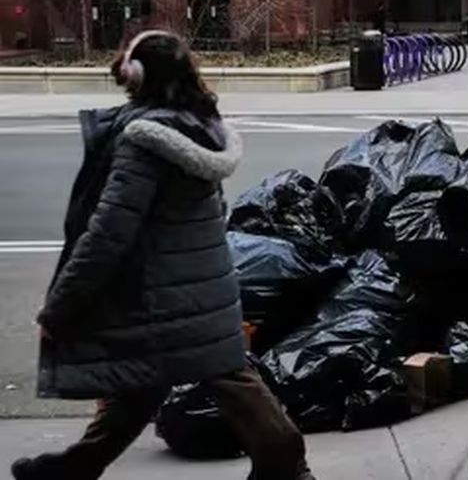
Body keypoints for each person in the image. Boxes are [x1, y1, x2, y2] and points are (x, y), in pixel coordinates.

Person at [13, 30, 313, 480]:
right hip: (203, 284)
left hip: (158, 292)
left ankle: (287, 467)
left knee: (212, 378)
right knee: (152, 383)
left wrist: (61, 308)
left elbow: (108, 233)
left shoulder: (144, 141)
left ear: (134, 75)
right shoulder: (200, 126)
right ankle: (76, 467)